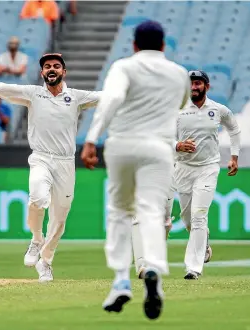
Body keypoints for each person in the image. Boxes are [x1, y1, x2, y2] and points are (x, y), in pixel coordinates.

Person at [80, 21, 189, 320]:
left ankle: (120, 281)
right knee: (151, 212)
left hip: (123, 146)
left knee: (120, 212)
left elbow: (112, 99)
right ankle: (153, 270)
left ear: (134, 45)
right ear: (164, 44)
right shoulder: (179, 73)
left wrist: (91, 138)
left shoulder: (124, 67)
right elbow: (180, 105)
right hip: (159, 148)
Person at [0, 53, 101, 283]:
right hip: (41, 158)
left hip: (66, 162)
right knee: (37, 197)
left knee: (59, 218)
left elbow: (108, 97)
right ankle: (36, 239)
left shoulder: (75, 97)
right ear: (42, 73)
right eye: (47, 66)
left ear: (64, 72)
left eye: (56, 66)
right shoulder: (33, 94)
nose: (52, 69)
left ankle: (45, 262)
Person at [172, 70, 240, 280]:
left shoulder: (218, 110)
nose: (194, 87)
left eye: (198, 83)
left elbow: (234, 129)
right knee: (188, 219)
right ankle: (205, 244)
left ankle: (193, 268)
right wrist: (178, 145)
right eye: (191, 83)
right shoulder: (178, 109)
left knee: (199, 216)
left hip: (208, 168)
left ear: (206, 86)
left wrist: (234, 156)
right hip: (183, 168)